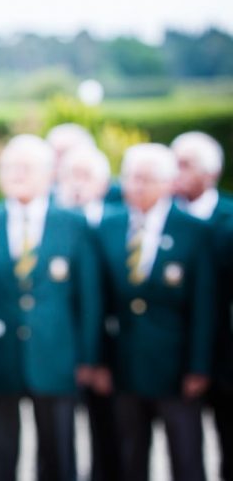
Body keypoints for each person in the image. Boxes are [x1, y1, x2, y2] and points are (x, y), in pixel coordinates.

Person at [0, 135, 101, 481]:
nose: (16, 174)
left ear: (48, 173)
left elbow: (88, 299)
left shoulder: (73, 223)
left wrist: (88, 357)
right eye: (9, 167)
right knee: (1, 452)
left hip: (57, 354)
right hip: (3, 355)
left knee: (60, 452)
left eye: (25, 167)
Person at [94, 143, 215, 481]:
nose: (137, 185)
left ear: (167, 183)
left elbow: (204, 307)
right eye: (131, 177)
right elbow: (98, 302)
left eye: (147, 178)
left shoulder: (193, 230)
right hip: (125, 363)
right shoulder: (109, 227)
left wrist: (199, 366)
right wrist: (100, 360)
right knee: (129, 453)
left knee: (185, 452)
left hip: (175, 367)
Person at [56, 145, 121, 481]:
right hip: (61, 348)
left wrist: (98, 359)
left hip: (110, 348)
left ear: (104, 182)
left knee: (109, 430)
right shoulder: (53, 222)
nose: (77, 184)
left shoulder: (115, 222)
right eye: (71, 176)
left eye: (86, 176)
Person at [172, 131, 233, 479]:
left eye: (185, 164)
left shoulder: (228, 218)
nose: (176, 172)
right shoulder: (158, 217)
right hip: (174, 357)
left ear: (211, 172)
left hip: (224, 356)